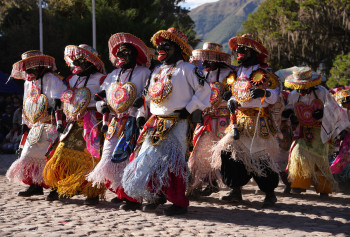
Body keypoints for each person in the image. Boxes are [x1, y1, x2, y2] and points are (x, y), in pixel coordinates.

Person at [122, 27, 211, 215]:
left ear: (178, 49)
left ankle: (179, 203)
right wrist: (141, 111)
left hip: (177, 122)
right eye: (159, 45)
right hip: (155, 121)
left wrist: (187, 110)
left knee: (172, 162)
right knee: (146, 158)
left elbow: (205, 91)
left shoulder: (188, 69)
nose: (161, 48)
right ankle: (152, 196)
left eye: (167, 45)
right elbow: (149, 95)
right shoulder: (157, 71)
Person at [212, 34, 281, 207]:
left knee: (260, 156)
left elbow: (275, 95)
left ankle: (270, 192)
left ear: (254, 52)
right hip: (239, 119)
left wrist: (265, 93)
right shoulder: (238, 72)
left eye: (244, 50)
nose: (239, 53)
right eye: (238, 50)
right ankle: (235, 189)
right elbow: (237, 95)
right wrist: (230, 100)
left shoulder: (265, 71)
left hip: (259, 120)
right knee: (229, 152)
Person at [87, 33, 150, 210]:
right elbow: (101, 96)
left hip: (132, 121)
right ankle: (121, 191)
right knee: (107, 159)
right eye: (119, 53)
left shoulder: (144, 73)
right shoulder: (112, 75)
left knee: (127, 161)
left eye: (126, 52)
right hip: (114, 123)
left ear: (135, 54)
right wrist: (103, 107)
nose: (122, 55)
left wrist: (141, 113)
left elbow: (148, 95)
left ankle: (133, 198)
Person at [43, 44, 106, 205]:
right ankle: (60, 187)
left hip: (93, 123)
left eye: (82, 60)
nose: (77, 63)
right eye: (76, 60)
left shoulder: (101, 79)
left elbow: (106, 101)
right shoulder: (72, 79)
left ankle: (91, 193)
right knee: (61, 153)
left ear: (92, 62)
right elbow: (65, 98)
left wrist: (92, 108)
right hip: (72, 122)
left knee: (91, 158)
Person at [283, 67, 350, 197]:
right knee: (298, 153)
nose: (300, 90)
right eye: (298, 87)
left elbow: (334, 109)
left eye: (303, 87)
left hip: (320, 130)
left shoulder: (322, 92)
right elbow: (290, 108)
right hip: (302, 130)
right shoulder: (293, 95)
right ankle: (299, 185)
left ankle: (323, 189)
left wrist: (323, 113)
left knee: (321, 159)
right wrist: (290, 114)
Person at [6, 50, 65, 196]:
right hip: (35, 124)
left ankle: (55, 187)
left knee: (49, 156)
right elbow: (27, 104)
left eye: (31, 66)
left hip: (51, 123)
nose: (28, 69)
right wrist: (24, 123)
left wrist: (57, 111)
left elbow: (60, 98)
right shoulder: (28, 82)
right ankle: (35, 184)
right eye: (26, 66)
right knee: (28, 154)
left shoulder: (52, 78)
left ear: (39, 65)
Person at [187, 42, 234, 197]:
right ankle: (206, 182)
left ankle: (233, 186)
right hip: (206, 116)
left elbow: (236, 91)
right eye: (203, 58)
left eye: (208, 58)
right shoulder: (202, 75)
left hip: (223, 118)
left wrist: (230, 96)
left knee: (224, 151)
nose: (204, 61)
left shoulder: (229, 74)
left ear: (215, 58)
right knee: (202, 150)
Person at [329, 87, 350, 191]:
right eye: (344, 102)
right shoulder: (339, 113)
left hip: (346, 141)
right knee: (340, 160)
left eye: (347, 102)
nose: (345, 104)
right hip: (342, 141)